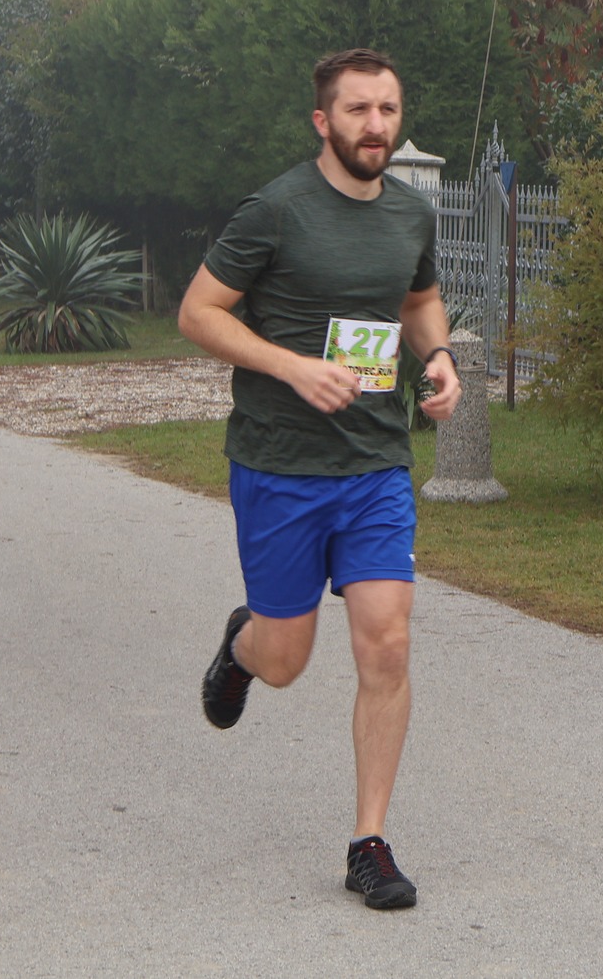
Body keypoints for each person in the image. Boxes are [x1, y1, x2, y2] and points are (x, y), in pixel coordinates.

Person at [178, 47, 461, 911]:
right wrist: (295, 368)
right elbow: (197, 312)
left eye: (387, 108)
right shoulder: (276, 211)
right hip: (281, 465)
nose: (376, 125)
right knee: (288, 659)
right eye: (358, 110)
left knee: (388, 642)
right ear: (322, 121)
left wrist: (440, 357)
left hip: (374, 463)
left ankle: (368, 843)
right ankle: (245, 644)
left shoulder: (410, 216)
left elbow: (417, 302)